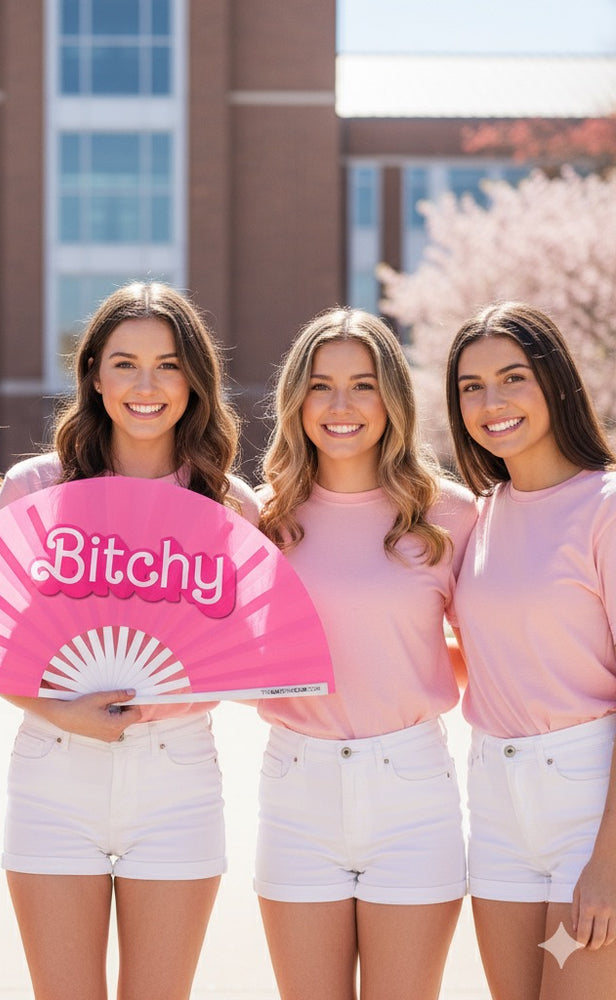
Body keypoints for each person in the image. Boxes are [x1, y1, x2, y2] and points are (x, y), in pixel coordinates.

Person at [0, 281, 259, 1000]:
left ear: (195, 380)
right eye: (124, 364)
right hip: (53, 767)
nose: (147, 385)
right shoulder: (34, 489)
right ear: (94, 376)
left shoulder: (232, 507)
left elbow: (261, 657)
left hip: (178, 777)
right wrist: (59, 712)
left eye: (168, 364)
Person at [255, 307, 475, 1000]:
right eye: (321, 385)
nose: (341, 405)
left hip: (411, 786)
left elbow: (488, 647)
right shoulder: (259, 521)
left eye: (363, 385)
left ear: (393, 400)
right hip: (297, 787)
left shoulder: (453, 516)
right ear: (297, 399)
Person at [446, 302, 616, 1000]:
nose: (491, 403)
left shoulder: (606, 506)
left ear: (556, 383)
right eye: (470, 387)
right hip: (495, 801)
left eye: (512, 377)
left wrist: (608, 862)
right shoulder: (477, 517)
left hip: (589, 803)